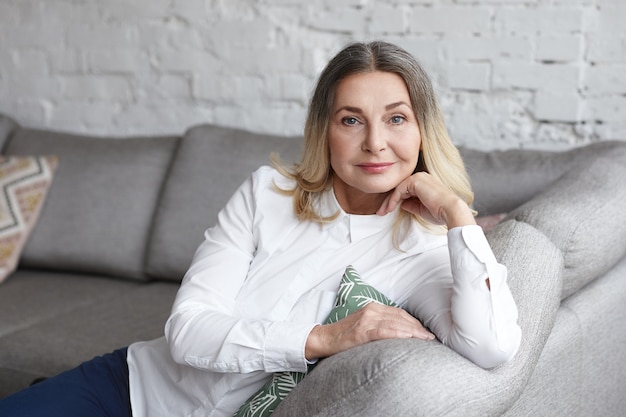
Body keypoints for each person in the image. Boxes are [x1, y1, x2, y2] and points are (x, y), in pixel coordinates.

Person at [0, 40, 521, 417]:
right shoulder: (267, 193)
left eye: (397, 118)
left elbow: (493, 347)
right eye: (351, 119)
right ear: (324, 130)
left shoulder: (426, 249)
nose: (375, 143)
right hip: (131, 387)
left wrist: (455, 213)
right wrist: (325, 338)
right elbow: (187, 332)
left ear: (423, 129)